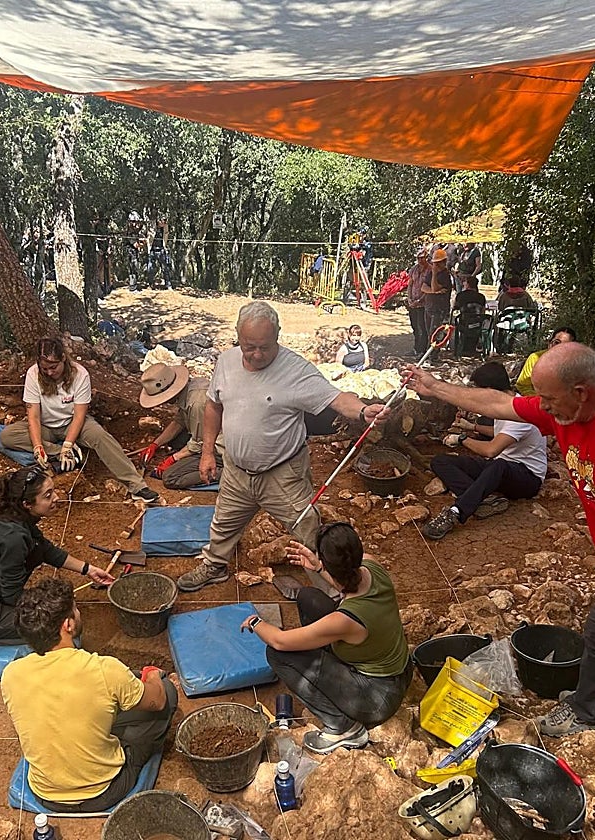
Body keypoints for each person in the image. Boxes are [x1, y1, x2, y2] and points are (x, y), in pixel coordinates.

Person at [402, 343, 595, 736]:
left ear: (581, 391)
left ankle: (587, 711)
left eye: (549, 399)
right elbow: (500, 404)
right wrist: (435, 388)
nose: (543, 408)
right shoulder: (568, 410)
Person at [176, 302, 388, 592]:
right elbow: (213, 406)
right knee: (223, 522)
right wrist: (208, 451)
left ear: (277, 335)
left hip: (283, 474)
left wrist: (363, 412)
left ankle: (333, 588)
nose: (257, 354)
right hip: (237, 470)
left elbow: (336, 399)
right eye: (249, 346)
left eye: (265, 347)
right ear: (238, 335)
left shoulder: (295, 370)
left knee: (307, 529)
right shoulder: (226, 362)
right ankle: (215, 565)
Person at [2, 579, 178, 812]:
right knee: (167, 692)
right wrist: (153, 675)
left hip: (45, 794)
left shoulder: (12, 674)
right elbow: (158, 702)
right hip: (105, 792)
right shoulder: (104, 669)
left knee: (109, 699)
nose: (79, 612)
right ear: (68, 625)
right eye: (76, 609)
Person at [243, 523, 411, 753]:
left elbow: (280, 640)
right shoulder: (370, 564)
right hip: (397, 670)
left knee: (278, 654)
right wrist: (318, 568)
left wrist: (255, 623)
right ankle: (329, 676)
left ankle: (343, 728)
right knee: (309, 596)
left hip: (377, 697)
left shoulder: (346, 620)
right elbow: (348, 584)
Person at [0, 466, 116, 651]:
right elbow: (12, 595)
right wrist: (52, 607)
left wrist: (88, 569)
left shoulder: (13, 517)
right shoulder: (12, 537)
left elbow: (44, 549)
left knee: (56, 614)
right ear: (27, 504)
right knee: (55, 628)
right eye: (48, 495)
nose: (56, 498)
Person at [0, 338, 159, 504]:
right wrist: (38, 446)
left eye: (53, 367)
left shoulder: (80, 374)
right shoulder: (33, 374)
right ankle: (63, 453)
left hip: (73, 423)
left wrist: (68, 443)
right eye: (44, 369)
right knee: (8, 436)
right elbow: (33, 416)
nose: (49, 373)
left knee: (100, 436)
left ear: (63, 359)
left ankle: (137, 486)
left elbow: (79, 415)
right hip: (45, 426)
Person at [421, 363, 547, 539]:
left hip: (527, 478)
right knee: (441, 461)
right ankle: (483, 499)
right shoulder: (508, 405)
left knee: (498, 465)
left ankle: (456, 512)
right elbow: (501, 433)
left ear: (489, 390)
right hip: (502, 468)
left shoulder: (520, 415)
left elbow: (491, 450)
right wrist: (472, 426)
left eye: (479, 391)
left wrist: (462, 439)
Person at [138, 363, 225, 490]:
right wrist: (155, 444)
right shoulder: (191, 387)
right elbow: (179, 421)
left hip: (221, 447)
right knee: (176, 440)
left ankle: (227, 473)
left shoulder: (196, 403)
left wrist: (173, 459)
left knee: (171, 477)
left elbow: (201, 443)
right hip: (210, 435)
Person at [515, 327, 577, 396]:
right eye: (556, 342)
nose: (559, 347)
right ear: (549, 343)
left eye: (565, 346)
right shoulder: (535, 358)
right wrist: (540, 399)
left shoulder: (574, 364)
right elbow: (522, 385)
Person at [421, 248, 453, 344]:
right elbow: (423, 287)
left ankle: (433, 357)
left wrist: (434, 275)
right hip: (429, 307)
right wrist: (433, 292)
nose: (436, 266)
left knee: (434, 334)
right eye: (435, 263)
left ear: (444, 262)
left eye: (438, 263)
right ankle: (429, 354)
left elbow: (434, 287)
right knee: (428, 333)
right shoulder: (431, 273)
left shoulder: (445, 275)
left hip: (439, 310)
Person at [451, 276, 488, 356]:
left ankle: (461, 349)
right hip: (477, 324)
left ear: (467, 284)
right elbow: (483, 311)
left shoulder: (461, 295)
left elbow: (454, 307)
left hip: (464, 323)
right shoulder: (481, 297)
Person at [406, 247, 432, 357]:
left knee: (423, 327)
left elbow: (429, 288)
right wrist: (409, 299)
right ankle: (416, 348)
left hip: (423, 303)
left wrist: (419, 300)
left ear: (426, 258)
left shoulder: (430, 270)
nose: (420, 260)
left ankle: (422, 350)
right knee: (415, 327)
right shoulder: (414, 269)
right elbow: (410, 284)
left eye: (422, 258)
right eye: (419, 258)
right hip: (413, 303)